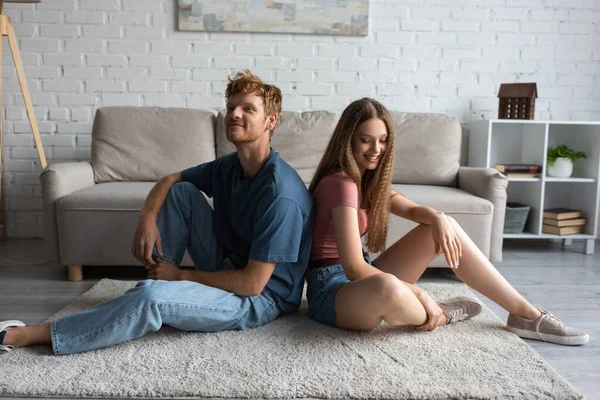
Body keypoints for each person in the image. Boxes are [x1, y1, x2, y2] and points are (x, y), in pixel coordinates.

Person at [0, 70, 314, 355]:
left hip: (261, 298)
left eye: (248, 109)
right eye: (232, 106)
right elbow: (170, 179)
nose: (235, 113)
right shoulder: (230, 166)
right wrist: (146, 219)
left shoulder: (280, 194)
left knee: (152, 298)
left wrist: (181, 276)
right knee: (182, 193)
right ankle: (161, 290)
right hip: (229, 263)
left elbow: (252, 285)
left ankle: (32, 335)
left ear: (270, 121)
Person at [305, 97, 589, 346]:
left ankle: (526, 314)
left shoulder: (366, 181)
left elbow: (414, 210)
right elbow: (354, 268)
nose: (376, 149)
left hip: (362, 278)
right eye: (366, 139)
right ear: (348, 139)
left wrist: (438, 217)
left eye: (383, 140)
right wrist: (418, 292)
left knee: (441, 226)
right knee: (388, 288)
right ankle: (437, 313)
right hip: (332, 292)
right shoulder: (341, 184)